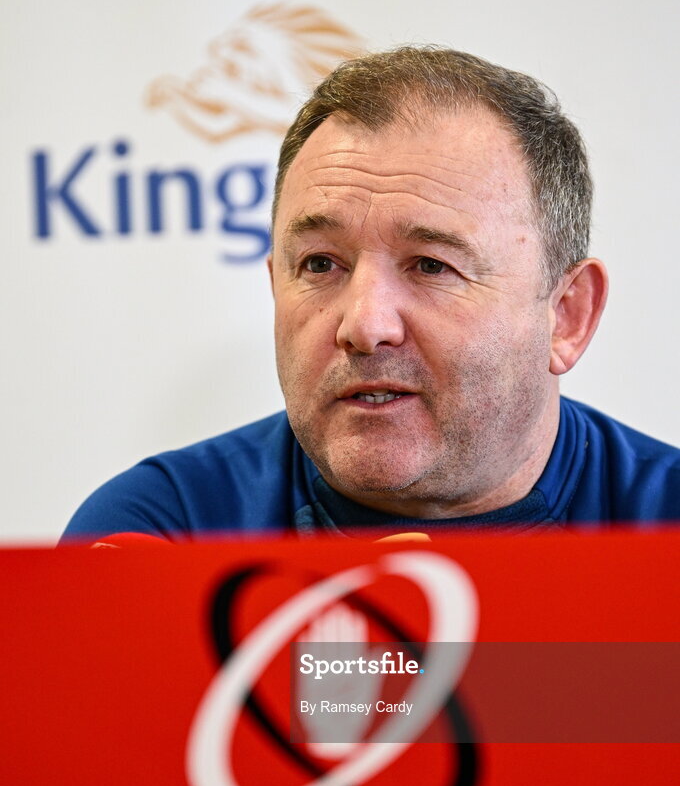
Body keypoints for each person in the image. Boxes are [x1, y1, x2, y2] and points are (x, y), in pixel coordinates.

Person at [62, 47, 680, 542]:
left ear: (566, 315)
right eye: (322, 263)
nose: (365, 323)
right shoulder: (163, 532)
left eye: (432, 267)